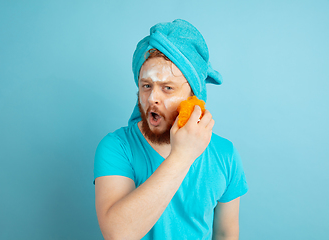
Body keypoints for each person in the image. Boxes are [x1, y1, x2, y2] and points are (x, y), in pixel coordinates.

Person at [94, 19, 248, 240]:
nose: (152, 98)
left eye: (167, 88)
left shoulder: (225, 154)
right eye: (146, 86)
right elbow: (119, 234)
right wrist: (182, 156)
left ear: (194, 98)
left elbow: (225, 233)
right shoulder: (117, 147)